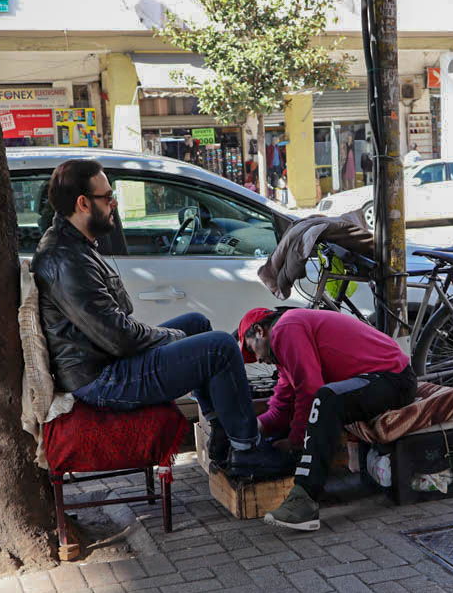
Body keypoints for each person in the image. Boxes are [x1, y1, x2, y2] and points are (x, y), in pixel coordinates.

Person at [31, 159, 282, 476]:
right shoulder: (66, 260)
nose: (114, 204)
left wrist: (172, 336)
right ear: (83, 203)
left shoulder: (73, 246)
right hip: (103, 379)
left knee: (197, 324)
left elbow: (116, 330)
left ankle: (220, 434)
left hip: (102, 361)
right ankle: (249, 452)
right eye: (107, 197)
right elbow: (119, 338)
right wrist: (171, 338)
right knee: (219, 347)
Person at [239, 308, 417, 531]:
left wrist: (295, 442)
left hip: (393, 378)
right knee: (325, 398)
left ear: (259, 331)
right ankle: (305, 493)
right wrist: (252, 432)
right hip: (376, 378)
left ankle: (304, 501)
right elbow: (282, 407)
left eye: (250, 348)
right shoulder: (283, 353)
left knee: (326, 399)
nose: (257, 358)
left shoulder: (286, 328)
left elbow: (310, 390)